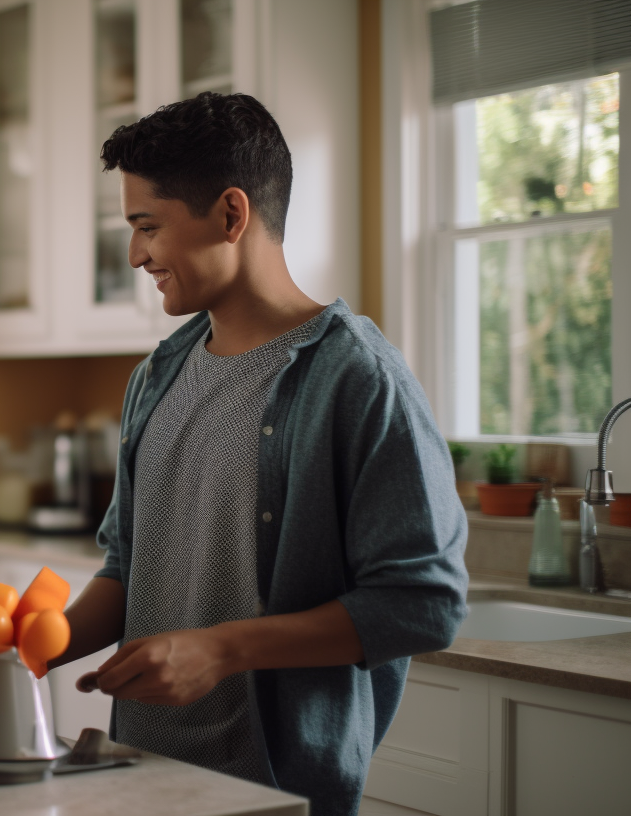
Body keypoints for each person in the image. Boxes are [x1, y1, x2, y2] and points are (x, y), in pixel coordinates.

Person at [52, 93, 468, 816]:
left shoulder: (357, 378)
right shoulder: (156, 377)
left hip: (270, 790)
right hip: (138, 772)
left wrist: (222, 649)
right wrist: (25, 643)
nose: (135, 254)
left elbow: (424, 605)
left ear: (231, 215)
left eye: (147, 226)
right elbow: (128, 567)